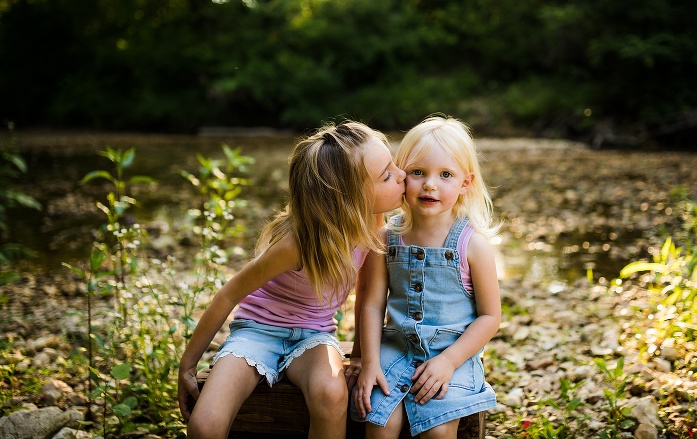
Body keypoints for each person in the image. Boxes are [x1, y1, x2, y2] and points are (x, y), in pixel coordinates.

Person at [177, 121, 407, 439]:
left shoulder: (373, 225)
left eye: (394, 165)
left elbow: (367, 292)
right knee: (204, 426)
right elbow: (229, 295)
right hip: (257, 333)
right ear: (349, 198)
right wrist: (188, 364)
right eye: (387, 175)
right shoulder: (297, 243)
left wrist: (359, 355)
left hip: (314, 336)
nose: (403, 175)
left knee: (331, 392)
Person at [352, 115, 501, 439]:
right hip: (395, 349)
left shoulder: (472, 245)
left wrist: (448, 361)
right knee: (379, 421)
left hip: (453, 351)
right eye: (418, 172)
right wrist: (369, 361)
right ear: (401, 175)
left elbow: (490, 316)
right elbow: (373, 304)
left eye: (445, 174)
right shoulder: (386, 238)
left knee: (436, 429)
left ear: (466, 182)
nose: (430, 184)